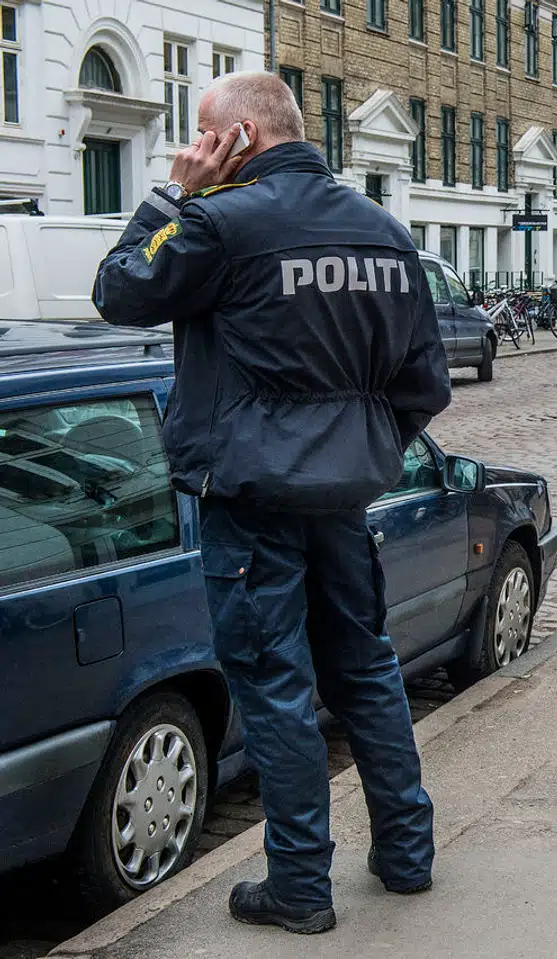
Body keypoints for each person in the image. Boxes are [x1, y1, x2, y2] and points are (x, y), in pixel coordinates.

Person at [92, 72, 450, 934]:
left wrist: (176, 194)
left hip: (250, 498)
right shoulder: (385, 235)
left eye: (204, 136)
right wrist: (356, 455)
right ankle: (406, 853)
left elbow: (120, 290)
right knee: (363, 666)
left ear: (237, 140)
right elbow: (422, 387)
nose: (196, 148)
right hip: (340, 499)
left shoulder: (216, 222)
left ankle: (299, 882)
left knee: (274, 684)